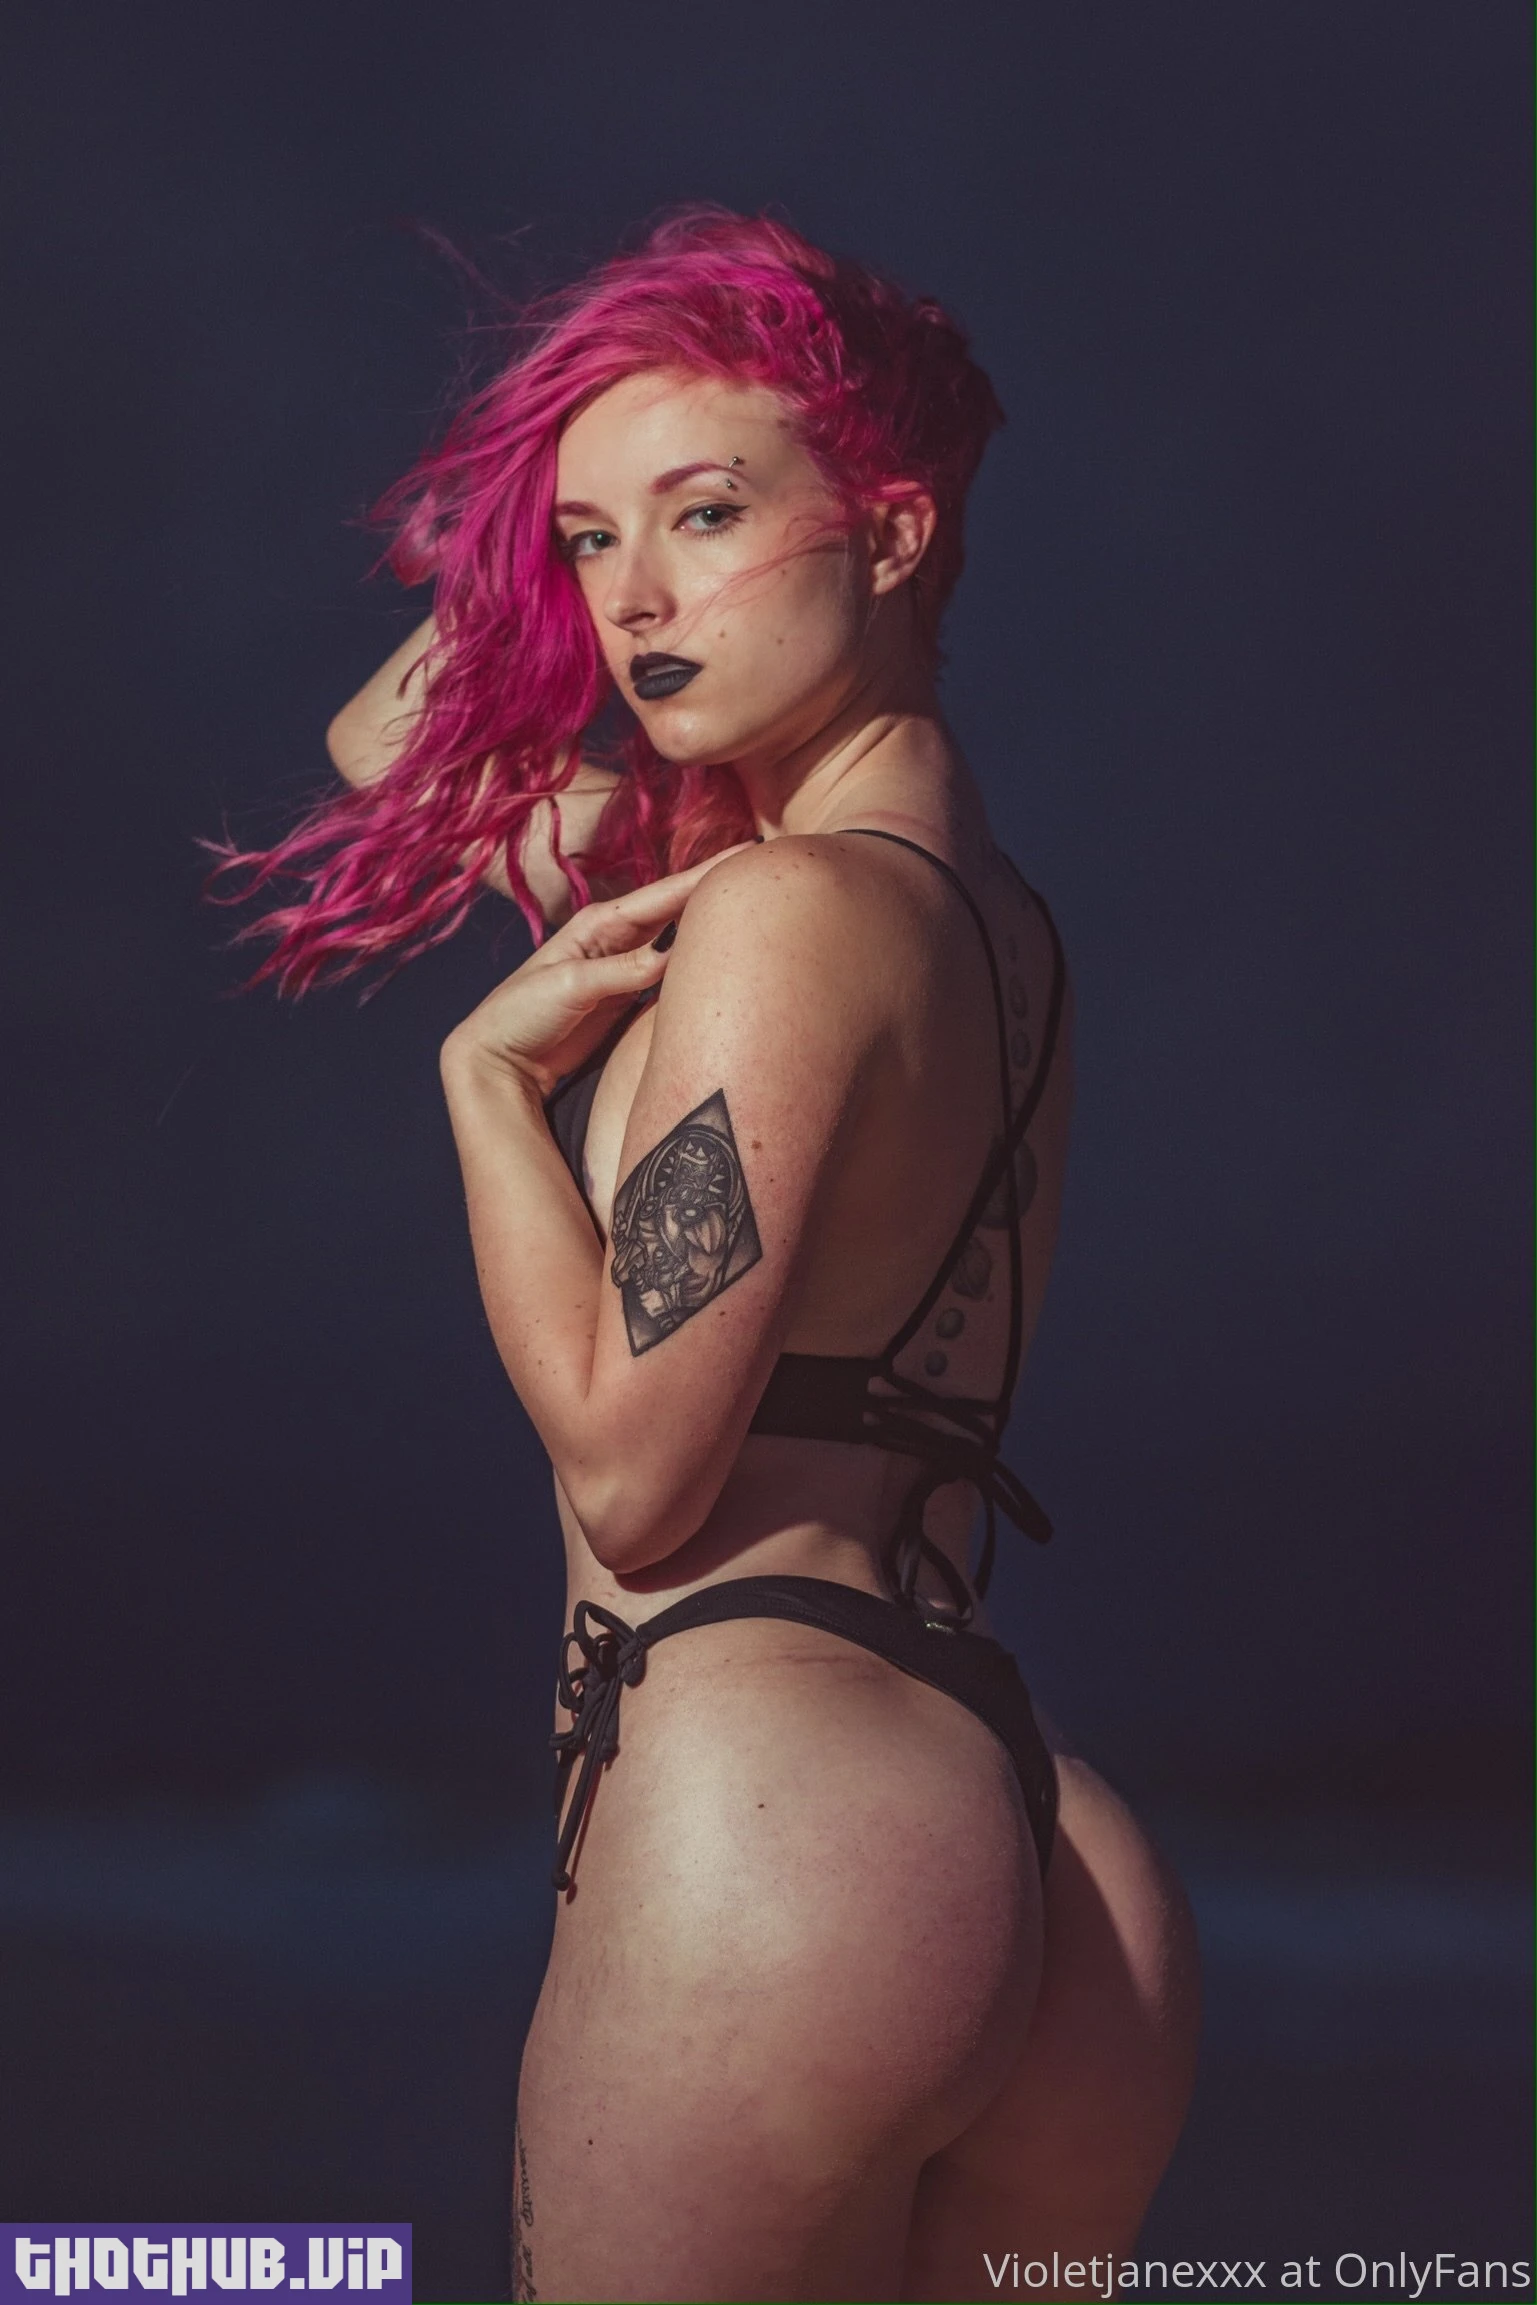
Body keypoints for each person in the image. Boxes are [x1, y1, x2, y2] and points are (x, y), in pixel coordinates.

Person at [225, 209, 1200, 2305]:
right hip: (1041, 1851)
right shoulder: (976, 922)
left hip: (779, 1836)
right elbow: (395, 745)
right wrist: (538, 523)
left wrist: (489, 1097)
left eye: (708, 513)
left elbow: (637, 1470)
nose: (632, 598)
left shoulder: (771, 920)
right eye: (593, 545)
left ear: (896, 529)